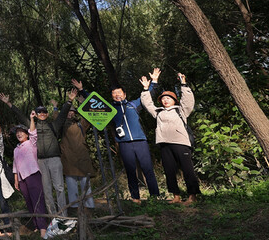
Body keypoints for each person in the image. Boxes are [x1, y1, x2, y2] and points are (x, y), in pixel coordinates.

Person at [74, 71, 162, 203]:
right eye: (114, 94)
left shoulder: (134, 105)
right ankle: (135, 197)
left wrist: (153, 82)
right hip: (124, 144)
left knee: (147, 168)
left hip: (140, 141)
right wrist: (81, 90)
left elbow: (147, 97)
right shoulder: (110, 109)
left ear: (124, 94)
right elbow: (93, 101)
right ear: (112, 96)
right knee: (130, 171)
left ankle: (155, 197)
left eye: (119, 93)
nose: (117, 95)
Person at [0, 92, 69, 215]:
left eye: (44, 112)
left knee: (59, 187)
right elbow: (20, 116)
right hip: (40, 162)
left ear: (47, 114)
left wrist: (69, 101)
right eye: (39, 112)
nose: (42, 114)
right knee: (47, 190)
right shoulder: (32, 127)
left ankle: (64, 215)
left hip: (54, 159)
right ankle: (53, 216)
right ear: (36, 115)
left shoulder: (54, 125)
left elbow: (63, 115)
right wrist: (9, 104)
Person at [140, 72, 200, 205]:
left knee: (187, 170)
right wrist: (145, 89)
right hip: (164, 144)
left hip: (181, 143)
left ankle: (192, 196)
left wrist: (183, 84)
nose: (165, 100)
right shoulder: (158, 112)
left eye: (168, 98)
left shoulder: (181, 110)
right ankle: (176, 196)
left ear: (174, 100)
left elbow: (188, 100)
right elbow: (147, 104)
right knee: (169, 171)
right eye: (163, 98)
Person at [60, 88, 95, 214]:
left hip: (82, 158)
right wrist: (55, 108)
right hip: (69, 160)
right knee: (71, 186)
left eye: (72, 112)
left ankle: (90, 208)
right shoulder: (62, 125)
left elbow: (88, 117)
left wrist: (82, 104)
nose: (70, 113)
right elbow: (57, 118)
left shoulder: (80, 124)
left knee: (86, 185)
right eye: (68, 111)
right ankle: (74, 208)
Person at [13, 113, 48, 238]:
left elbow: (34, 133)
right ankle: (36, 226)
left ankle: (43, 227)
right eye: (17, 132)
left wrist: (32, 118)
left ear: (26, 134)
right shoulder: (16, 149)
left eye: (21, 132)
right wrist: (16, 180)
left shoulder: (31, 143)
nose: (19, 134)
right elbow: (15, 166)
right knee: (29, 203)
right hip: (22, 179)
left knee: (37, 200)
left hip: (33, 174)